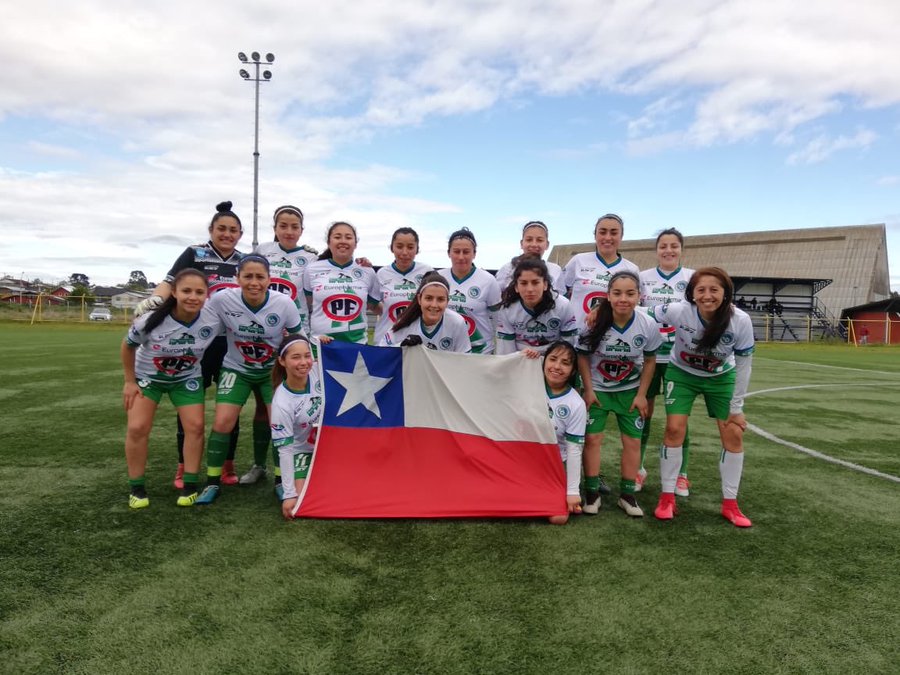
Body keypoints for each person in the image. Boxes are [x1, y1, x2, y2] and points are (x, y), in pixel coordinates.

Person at [134, 201, 247, 488]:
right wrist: (153, 302)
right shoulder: (194, 253)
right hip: (194, 342)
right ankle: (184, 467)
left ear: (240, 234)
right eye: (221, 228)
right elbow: (169, 282)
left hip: (231, 343)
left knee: (229, 406)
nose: (227, 234)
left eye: (233, 230)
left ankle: (225, 464)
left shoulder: (244, 260)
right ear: (211, 230)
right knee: (188, 406)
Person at [647, 267, 755, 527]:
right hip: (682, 373)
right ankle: (667, 497)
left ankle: (730, 504)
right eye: (701, 290)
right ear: (692, 294)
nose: (708, 295)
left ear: (726, 293)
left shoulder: (740, 320)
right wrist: (603, 311)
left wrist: (736, 407)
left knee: (733, 433)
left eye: (714, 290)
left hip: (720, 377)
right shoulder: (678, 311)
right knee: (674, 429)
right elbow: (647, 312)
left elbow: (744, 365)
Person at [196, 255, 304, 505]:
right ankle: (212, 482)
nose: (254, 282)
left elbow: (297, 338)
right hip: (237, 368)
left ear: (269, 279)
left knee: (278, 422)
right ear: (238, 278)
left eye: (260, 277)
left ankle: (279, 480)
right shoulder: (223, 299)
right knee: (223, 421)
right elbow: (202, 326)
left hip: (271, 371)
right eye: (248, 276)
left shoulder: (283, 303)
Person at [121, 269, 222, 508]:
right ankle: (137, 487)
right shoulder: (150, 320)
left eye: (199, 292)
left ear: (207, 295)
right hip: (149, 378)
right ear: (174, 292)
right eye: (186, 291)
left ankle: (189, 485)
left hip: (186, 379)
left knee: (195, 427)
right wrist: (129, 381)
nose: (192, 297)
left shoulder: (212, 320)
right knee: (137, 427)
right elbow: (127, 347)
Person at [576, 271, 661, 517]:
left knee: (632, 441)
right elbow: (582, 355)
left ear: (639, 296)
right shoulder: (593, 321)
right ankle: (591, 492)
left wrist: (642, 394)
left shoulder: (646, 323)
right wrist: (589, 389)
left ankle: (627, 495)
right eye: (617, 293)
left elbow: (650, 360)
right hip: (599, 391)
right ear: (608, 295)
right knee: (592, 440)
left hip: (629, 391)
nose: (623, 298)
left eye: (630, 293)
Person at [638, 228, 695, 496]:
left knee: (678, 418)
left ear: (681, 248)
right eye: (663, 246)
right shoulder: (642, 278)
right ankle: (637, 469)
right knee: (642, 412)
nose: (668, 250)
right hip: (648, 355)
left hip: (680, 357)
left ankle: (681, 474)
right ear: (656, 249)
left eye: (674, 246)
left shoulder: (692, 278)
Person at [531, 340, 586, 525]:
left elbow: (574, 450)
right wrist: (520, 358)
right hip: (524, 458)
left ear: (573, 370)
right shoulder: (527, 385)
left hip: (554, 464)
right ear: (544, 361)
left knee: (559, 518)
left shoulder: (576, 404)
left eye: (565, 363)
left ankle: (546, 495)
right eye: (552, 359)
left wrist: (572, 492)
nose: (556, 367)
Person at [270, 334, 323, 519]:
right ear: (282, 361)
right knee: (301, 503)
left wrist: (321, 341)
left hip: (330, 444)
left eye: (307, 356)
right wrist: (289, 494)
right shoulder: (281, 403)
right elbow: (284, 450)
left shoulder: (318, 369)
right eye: (295, 357)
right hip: (303, 451)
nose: (304, 362)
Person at [562, 213, 640, 335]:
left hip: (610, 338)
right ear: (595, 235)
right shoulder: (578, 260)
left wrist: (603, 309)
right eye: (602, 232)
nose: (608, 237)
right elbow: (560, 294)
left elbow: (632, 306)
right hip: (575, 336)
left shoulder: (632, 269)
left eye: (613, 233)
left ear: (621, 236)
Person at [303, 222, 379, 345]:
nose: (343, 241)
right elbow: (309, 302)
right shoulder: (312, 269)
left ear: (355, 244)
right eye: (337, 237)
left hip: (357, 345)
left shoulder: (368, 271)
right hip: (321, 345)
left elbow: (371, 305)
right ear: (328, 242)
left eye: (348, 237)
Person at [255, 205, 318, 336]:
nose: (289, 232)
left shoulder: (311, 257)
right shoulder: (262, 250)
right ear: (275, 229)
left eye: (295, 227)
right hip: (263, 323)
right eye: (283, 226)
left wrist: (362, 263)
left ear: (301, 230)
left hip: (297, 326)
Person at [438, 228, 502, 354]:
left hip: (479, 351)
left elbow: (498, 320)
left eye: (466, 252)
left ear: (474, 253)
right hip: (446, 349)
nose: (461, 257)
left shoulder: (488, 280)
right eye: (456, 251)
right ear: (449, 253)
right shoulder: (438, 277)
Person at [495, 259, 577, 355]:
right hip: (520, 357)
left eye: (535, 282)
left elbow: (568, 347)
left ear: (545, 284)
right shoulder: (507, 309)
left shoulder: (563, 306)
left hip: (553, 358)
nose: (530, 289)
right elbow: (505, 352)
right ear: (516, 287)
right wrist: (521, 355)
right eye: (524, 283)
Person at [380, 272, 472, 352]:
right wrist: (401, 346)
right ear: (420, 299)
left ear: (447, 301)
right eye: (429, 298)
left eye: (440, 299)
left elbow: (464, 359)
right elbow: (382, 351)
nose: (434, 305)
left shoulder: (457, 322)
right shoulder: (405, 322)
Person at [373, 227, 434, 344]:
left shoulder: (427, 271)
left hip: (417, 340)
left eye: (410, 247)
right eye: (399, 246)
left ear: (417, 249)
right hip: (386, 340)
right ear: (392, 248)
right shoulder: (382, 273)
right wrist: (389, 311)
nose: (405, 252)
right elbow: (373, 305)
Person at [494, 221, 567, 295]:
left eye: (539, 240)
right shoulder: (507, 269)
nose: (534, 244)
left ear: (547, 244)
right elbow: (496, 298)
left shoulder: (555, 270)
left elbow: (560, 297)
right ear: (522, 244)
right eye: (529, 240)